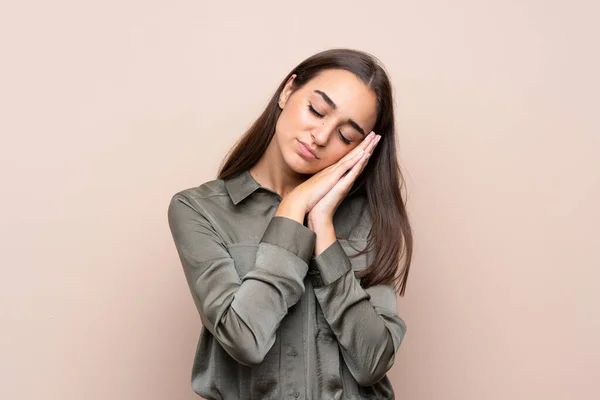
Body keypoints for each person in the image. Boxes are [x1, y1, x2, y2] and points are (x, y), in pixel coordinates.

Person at [167, 48, 413, 400]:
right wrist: (293, 208)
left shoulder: (367, 220)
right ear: (288, 91)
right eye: (316, 110)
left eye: (346, 136)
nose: (322, 136)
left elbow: (373, 361)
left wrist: (323, 228)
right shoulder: (198, 210)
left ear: (362, 150)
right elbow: (245, 339)